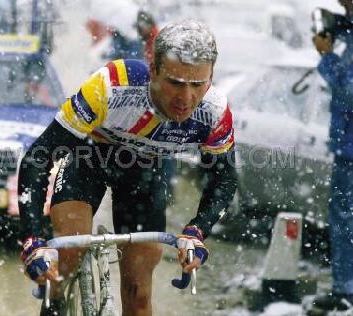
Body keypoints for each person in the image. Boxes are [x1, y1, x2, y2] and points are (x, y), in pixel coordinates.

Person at [18, 19, 238, 316]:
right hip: (89, 160)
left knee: (138, 291)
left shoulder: (213, 111)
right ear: (154, 70)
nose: (186, 99)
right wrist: (34, 240)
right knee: (66, 253)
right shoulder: (111, 85)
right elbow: (38, 158)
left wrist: (196, 231)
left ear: (210, 76)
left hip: (143, 174)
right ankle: (54, 300)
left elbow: (223, 180)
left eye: (198, 84)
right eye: (175, 83)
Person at [311, 0, 353, 312]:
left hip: (350, 146)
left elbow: (349, 89)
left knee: (345, 218)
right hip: (346, 145)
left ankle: (346, 289)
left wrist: (327, 56)